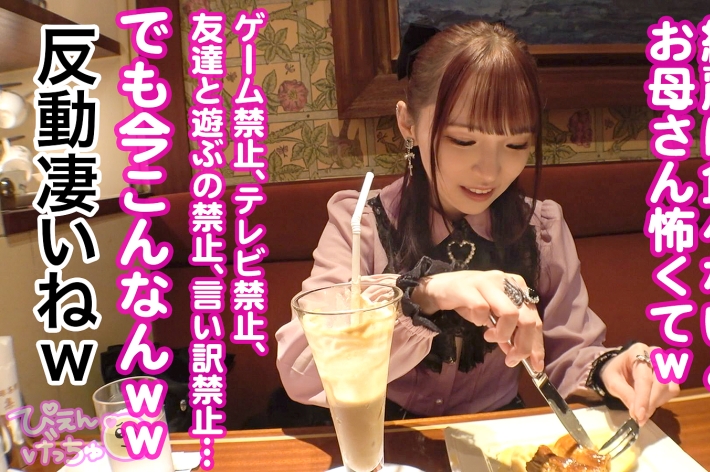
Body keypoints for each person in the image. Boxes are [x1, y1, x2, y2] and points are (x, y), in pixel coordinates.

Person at [276, 20, 678, 426]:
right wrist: (425, 294)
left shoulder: (541, 228)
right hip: (384, 435)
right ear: (408, 123)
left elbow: (569, 353)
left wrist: (612, 370)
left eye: (516, 144)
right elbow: (302, 368)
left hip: (494, 438)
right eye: (463, 140)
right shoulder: (361, 223)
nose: (489, 172)